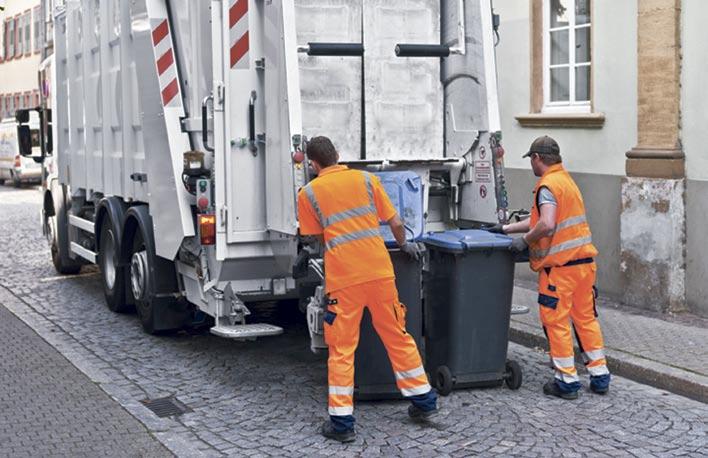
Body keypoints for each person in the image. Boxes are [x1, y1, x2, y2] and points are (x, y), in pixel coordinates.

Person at [297, 136, 438, 442]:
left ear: (313, 164)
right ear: (338, 155)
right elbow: (396, 221)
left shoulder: (309, 193)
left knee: (343, 349)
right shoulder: (366, 179)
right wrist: (405, 245)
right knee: (397, 336)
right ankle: (424, 401)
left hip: (344, 280)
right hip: (379, 272)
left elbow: (312, 238)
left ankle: (342, 424)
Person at [489, 136, 611, 400]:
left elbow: (546, 224)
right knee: (586, 320)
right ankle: (600, 376)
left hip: (560, 270)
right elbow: (540, 219)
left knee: (556, 323)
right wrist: (506, 228)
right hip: (584, 266)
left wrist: (523, 242)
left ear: (536, 158)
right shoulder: (566, 181)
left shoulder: (546, 186)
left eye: (531, 160)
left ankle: (566, 381)